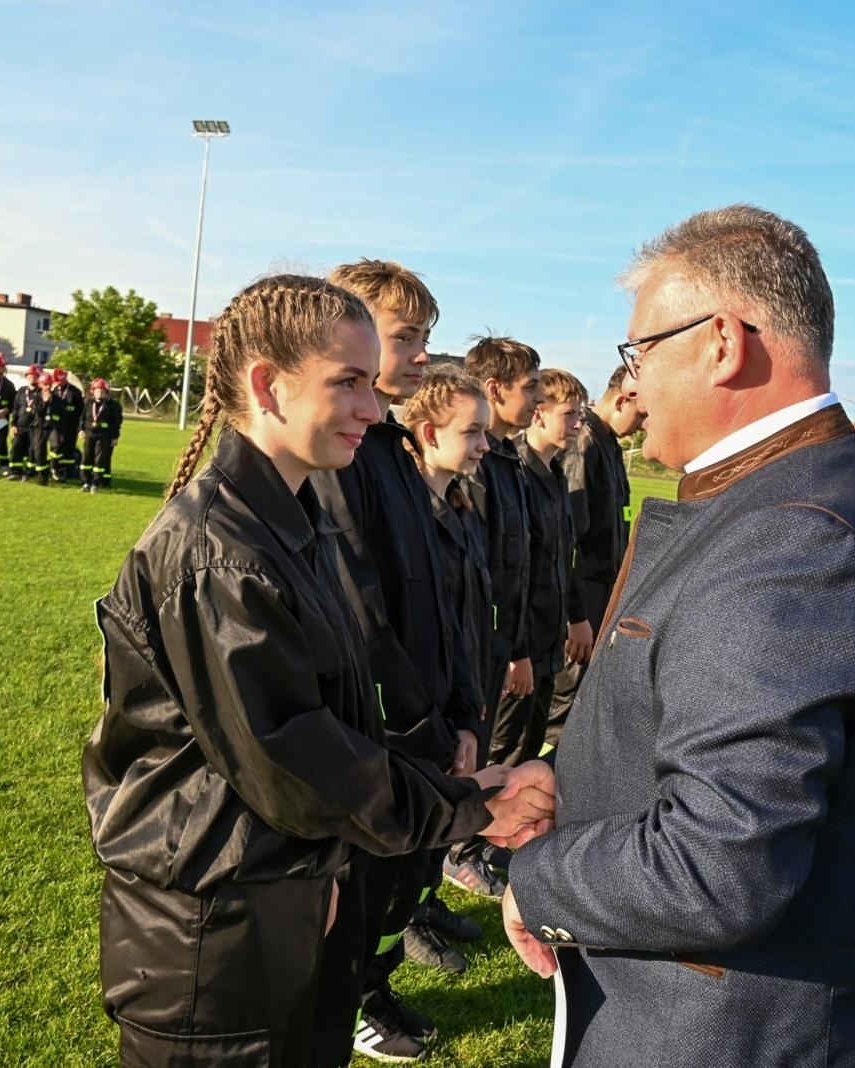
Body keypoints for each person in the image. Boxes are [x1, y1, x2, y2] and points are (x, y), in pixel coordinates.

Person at [501, 204, 855, 1067]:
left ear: (722, 343)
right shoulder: (798, 493)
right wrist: (578, 778)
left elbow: (717, 868)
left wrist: (538, 882)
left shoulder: (793, 536)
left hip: (734, 1032)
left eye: (638, 353)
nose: (629, 386)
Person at [82, 274, 555, 1068]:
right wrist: (468, 806)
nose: (375, 409)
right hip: (213, 937)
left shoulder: (289, 522)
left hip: (278, 896)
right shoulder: (218, 552)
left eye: (373, 383)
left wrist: (324, 866)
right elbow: (295, 763)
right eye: (348, 383)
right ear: (268, 386)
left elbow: (330, 727)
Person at [307, 259, 483, 1061]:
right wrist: (420, 720)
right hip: (386, 724)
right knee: (365, 881)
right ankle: (351, 1003)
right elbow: (363, 610)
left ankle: (369, 989)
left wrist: (461, 715)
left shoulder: (391, 449)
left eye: (424, 338)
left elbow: (439, 603)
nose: (419, 355)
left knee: (400, 878)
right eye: (406, 336)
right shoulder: (346, 458)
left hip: (429, 719)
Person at [397, 364, 496, 974]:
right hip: (411, 707)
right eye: (473, 432)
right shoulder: (406, 516)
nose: (485, 445)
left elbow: (461, 622)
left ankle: (422, 901)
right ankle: (395, 935)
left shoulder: (457, 504)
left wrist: (465, 712)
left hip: (450, 697)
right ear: (430, 433)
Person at [443, 335, 543, 900]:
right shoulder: (472, 468)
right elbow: (465, 576)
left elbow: (515, 568)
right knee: (460, 756)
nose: (534, 397)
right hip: (473, 645)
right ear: (494, 388)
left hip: (498, 640)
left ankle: (464, 850)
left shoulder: (509, 461)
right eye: (528, 387)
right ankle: (453, 857)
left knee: (478, 751)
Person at [499, 368, 589, 761]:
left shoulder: (556, 475)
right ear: (540, 414)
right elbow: (509, 571)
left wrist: (576, 616)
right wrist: (515, 652)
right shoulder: (513, 473)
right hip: (521, 648)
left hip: (548, 644)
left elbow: (562, 559)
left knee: (532, 746)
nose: (578, 423)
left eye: (580, 414)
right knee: (503, 752)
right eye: (569, 413)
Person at [549, 366, 641, 744]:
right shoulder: (583, 441)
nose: (642, 425)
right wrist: (576, 614)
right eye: (642, 414)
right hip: (583, 589)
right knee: (565, 692)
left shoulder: (609, 441)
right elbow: (570, 535)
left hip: (602, 586)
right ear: (623, 399)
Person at [78, 377, 122, 493]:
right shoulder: (88, 402)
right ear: (93, 391)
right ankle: (85, 482)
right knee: (86, 458)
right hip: (89, 435)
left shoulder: (111, 405)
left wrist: (115, 437)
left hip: (104, 436)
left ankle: (95, 483)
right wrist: (81, 430)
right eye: (97, 390)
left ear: (106, 392)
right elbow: (82, 418)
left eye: (102, 391)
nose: (99, 393)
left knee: (99, 461)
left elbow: (116, 423)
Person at [7, 367, 43, 481]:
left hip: (35, 428)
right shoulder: (21, 391)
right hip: (20, 426)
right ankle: (15, 472)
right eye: (30, 375)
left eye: (35, 376)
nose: (32, 377)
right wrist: (13, 425)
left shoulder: (42, 392)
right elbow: (15, 409)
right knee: (16, 449)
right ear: (26, 377)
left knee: (32, 451)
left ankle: (28, 473)